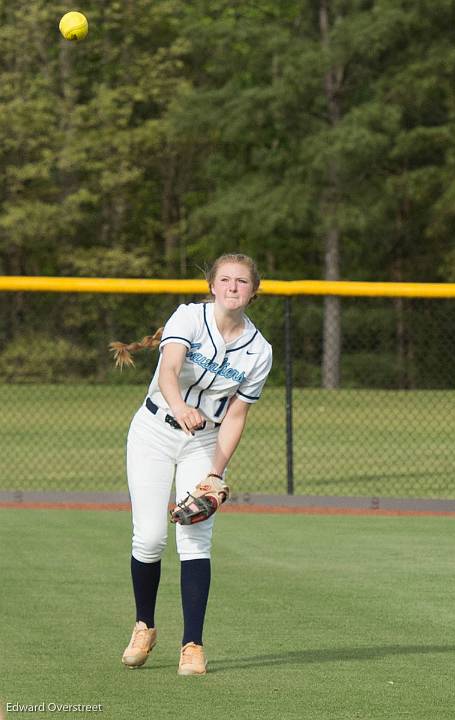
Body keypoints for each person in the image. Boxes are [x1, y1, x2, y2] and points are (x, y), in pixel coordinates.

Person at [110, 253, 272, 676]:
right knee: (148, 539)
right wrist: (180, 406)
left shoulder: (258, 351)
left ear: (254, 290)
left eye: (241, 281)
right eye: (225, 279)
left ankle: (192, 645)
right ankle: (144, 625)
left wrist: (216, 472)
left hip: (203, 441)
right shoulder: (188, 318)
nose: (233, 287)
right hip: (154, 430)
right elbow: (170, 369)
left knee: (195, 540)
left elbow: (236, 415)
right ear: (212, 286)